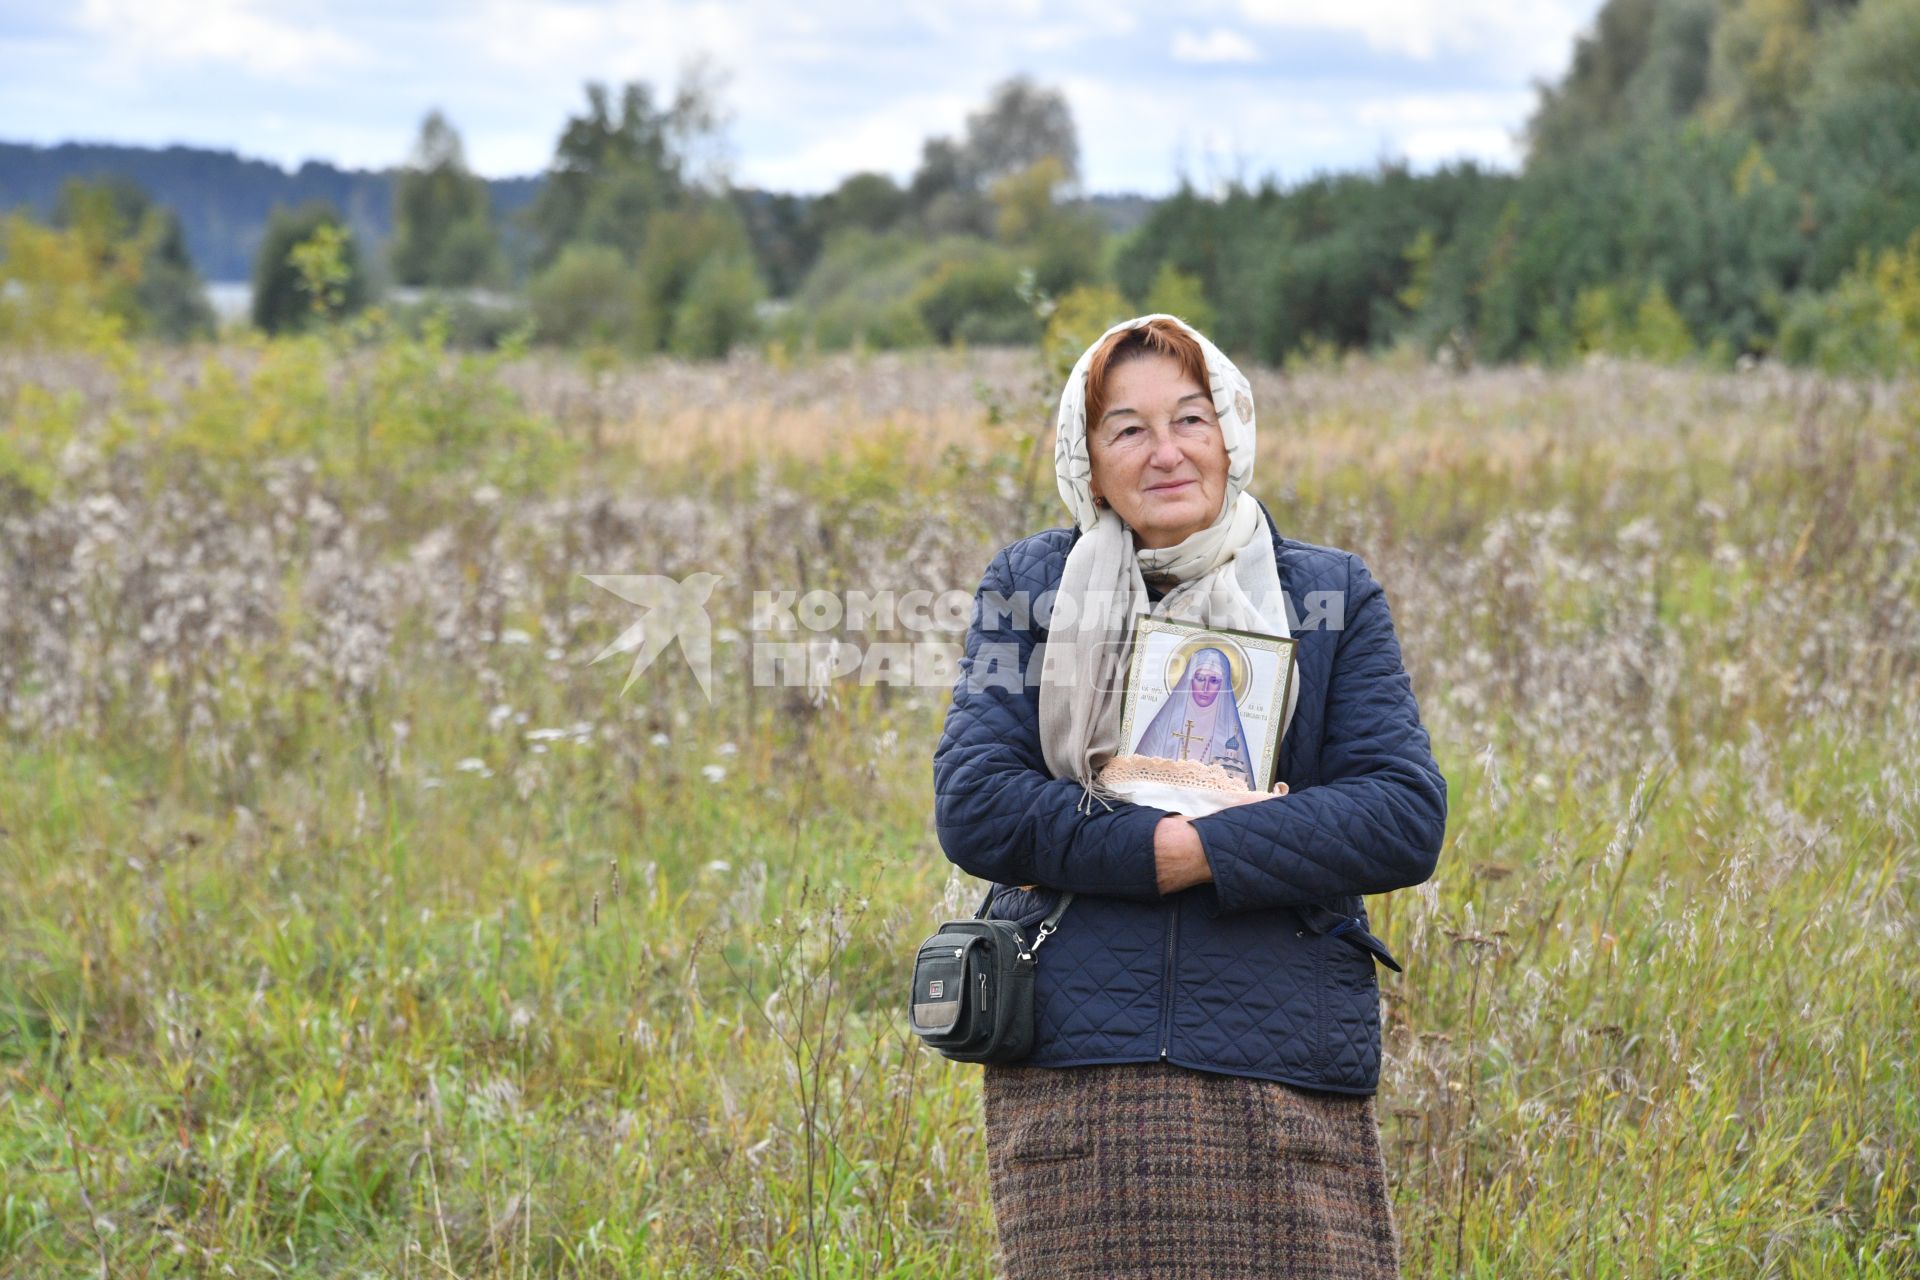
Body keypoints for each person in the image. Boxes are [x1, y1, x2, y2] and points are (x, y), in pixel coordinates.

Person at [931, 314, 1448, 1279]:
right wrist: (1152, 851)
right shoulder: (1032, 587)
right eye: (1127, 429)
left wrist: (1211, 850)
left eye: (1191, 420)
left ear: (1231, 432)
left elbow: (1403, 813)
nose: (1166, 453)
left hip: (1283, 1057)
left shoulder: (1327, 594)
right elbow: (977, 801)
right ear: (1087, 459)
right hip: (1081, 1065)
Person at [1133, 644, 1256, 785]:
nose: (1205, 688)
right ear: (1189, 679)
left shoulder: (1229, 731)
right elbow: (1137, 774)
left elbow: (1243, 789)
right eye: (1200, 679)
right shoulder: (1165, 724)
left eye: (1214, 681)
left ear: (1223, 685)